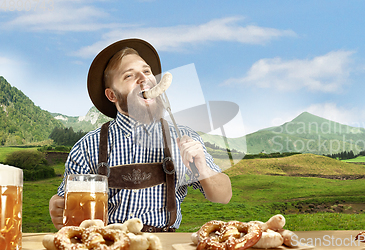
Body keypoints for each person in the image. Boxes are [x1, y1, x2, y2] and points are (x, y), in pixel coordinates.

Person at [49, 38, 232, 232]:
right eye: (129, 76)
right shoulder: (88, 146)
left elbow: (223, 195)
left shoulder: (184, 136)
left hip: (164, 244)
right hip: (109, 243)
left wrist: (202, 169)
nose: (144, 79)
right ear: (112, 95)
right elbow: (64, 204)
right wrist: (57, 204)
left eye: (146, 71)